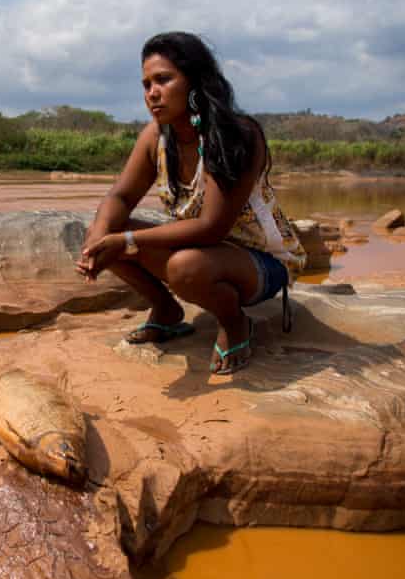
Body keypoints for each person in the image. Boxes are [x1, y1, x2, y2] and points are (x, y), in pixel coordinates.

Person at [76, 32, 306, 375]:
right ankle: (166, 311)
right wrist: (100, 238)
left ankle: (235, 323)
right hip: (203, 251)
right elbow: (120, 197)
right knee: (102, 231)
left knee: (184, 267)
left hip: (263, 262)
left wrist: (126, 242)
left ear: (196, 80)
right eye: (146, 84)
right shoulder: (156, 135)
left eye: (163, 80)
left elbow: (212, 227)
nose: (152, 93)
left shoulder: (236, 134)